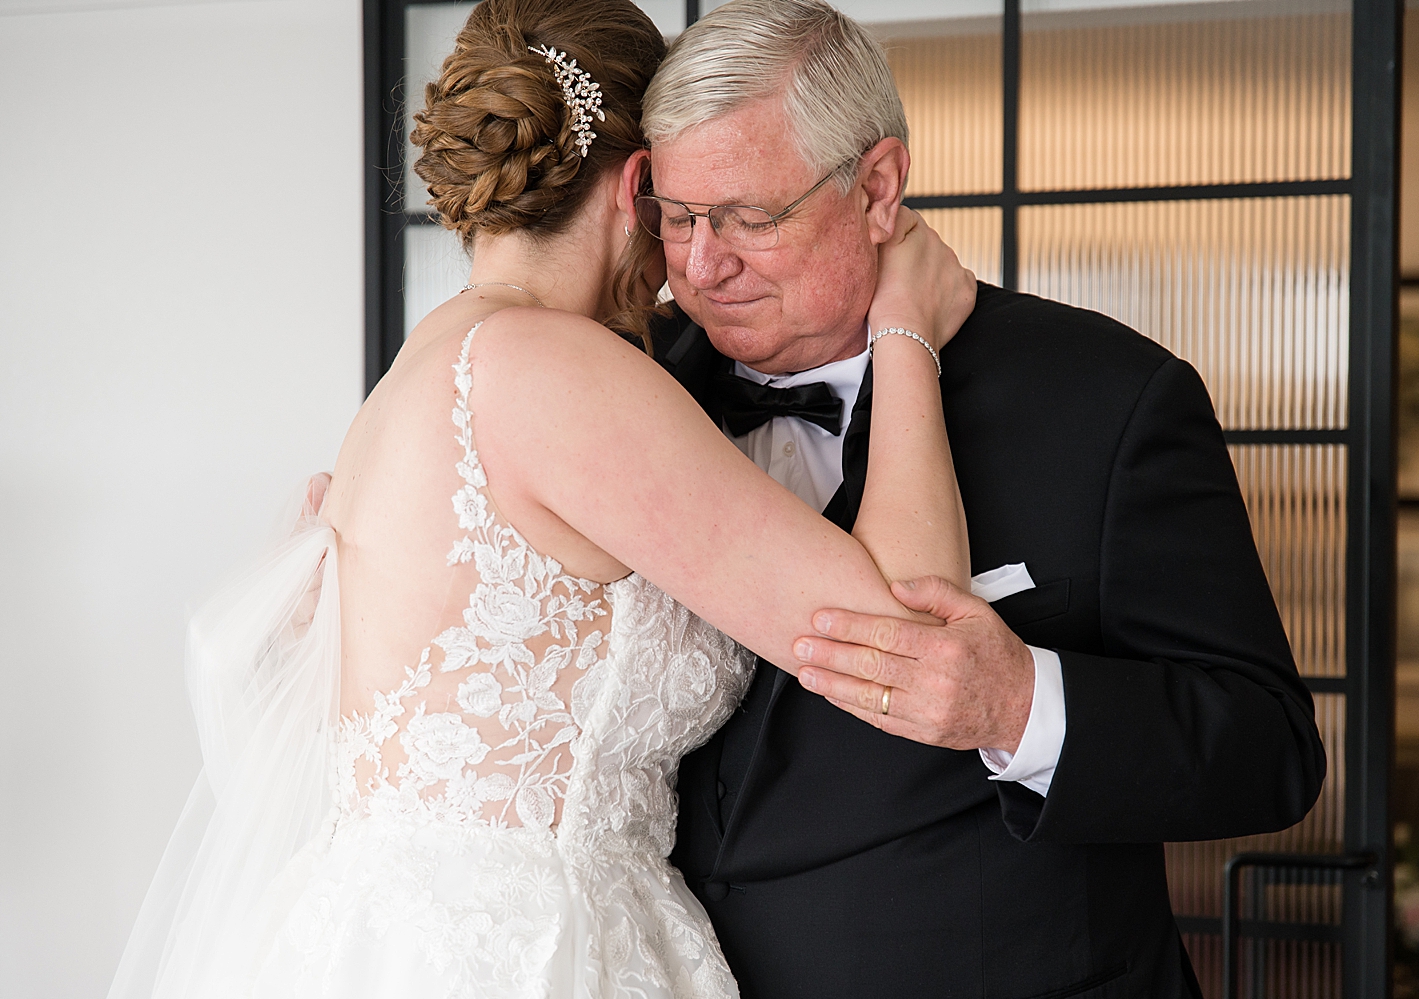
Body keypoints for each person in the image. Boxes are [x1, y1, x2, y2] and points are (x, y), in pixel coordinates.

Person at [106, 1, 977, 997]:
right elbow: (909, 633)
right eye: (687, 211)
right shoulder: (549, 370)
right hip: (532, 952)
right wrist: (906, 326)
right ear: (639, 182)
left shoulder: (422, 365)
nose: (696, 253)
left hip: (390, 937)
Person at [641, 2, 1328, 997]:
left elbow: (1268, 751)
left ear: (877, 188)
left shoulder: (1110, 399)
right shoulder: (618, 388)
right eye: (677, 216)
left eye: (752, 218)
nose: (704, 264)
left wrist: (1020, 704)